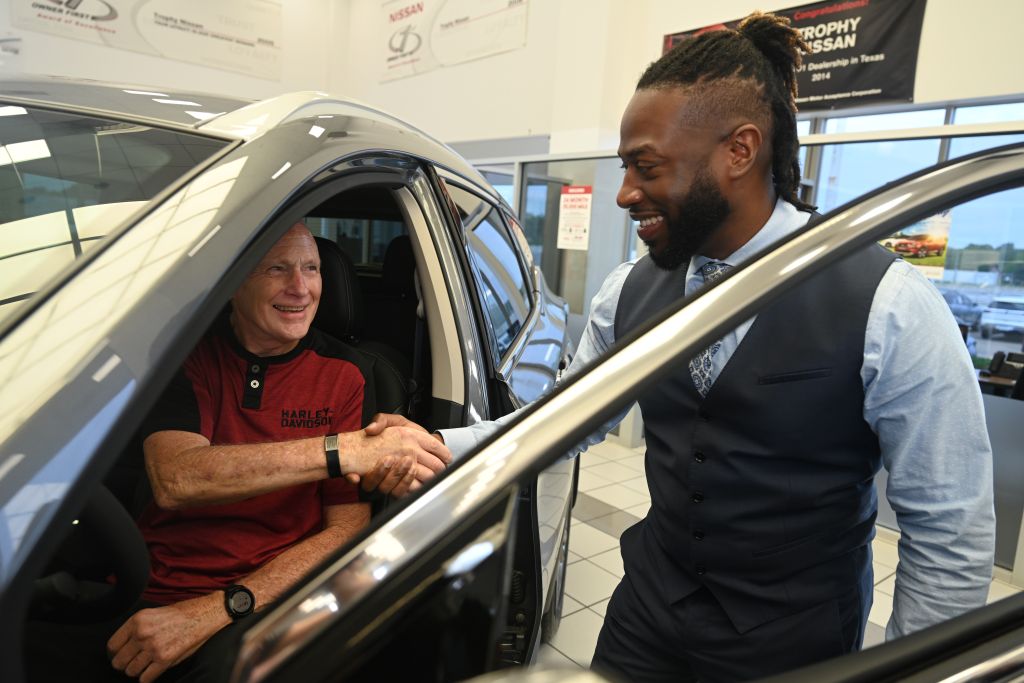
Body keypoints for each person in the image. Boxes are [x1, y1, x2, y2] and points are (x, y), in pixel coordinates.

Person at [377, 11, 995, 683]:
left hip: (797, 642)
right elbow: (560, 424)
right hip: (648, 613)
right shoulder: (630, 290)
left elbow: (948, 534)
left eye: (647, 167)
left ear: (739, 151)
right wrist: (435, 446)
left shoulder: (891, 305)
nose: (624, 193)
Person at [28, 223, 452, 683]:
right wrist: (343, 449)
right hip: (145, 586)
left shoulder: (348, 375)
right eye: (277, 268)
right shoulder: (186, 359)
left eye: (312, 269)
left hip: (261, 602)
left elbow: (345, 532)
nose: (301, 287)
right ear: (232, 283)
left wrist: (222, 608)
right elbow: (176, 480)